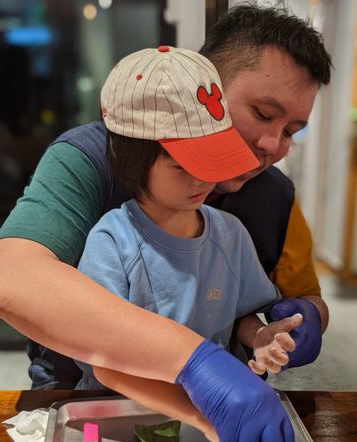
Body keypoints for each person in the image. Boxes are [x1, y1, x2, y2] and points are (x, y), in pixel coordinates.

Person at [0, 3, 332, 442]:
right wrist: (194, 361)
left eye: (293, 131)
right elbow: (9, 279)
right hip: (88, 405)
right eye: (262, 113)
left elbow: (295, 299)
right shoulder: (92, 163)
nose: (274, 146)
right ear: (206, 88)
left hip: (226, 424)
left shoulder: (272, 194)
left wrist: (302, 322)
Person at [74, 45, 301, 393]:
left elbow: (240, 314)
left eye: (211, 158)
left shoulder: (230, 234)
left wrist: (260, 336)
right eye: (182, 165)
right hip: (122, 403)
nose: (201, 178)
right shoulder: (113, 241)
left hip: (209, 402)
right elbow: (98, 352)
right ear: (130, 158)